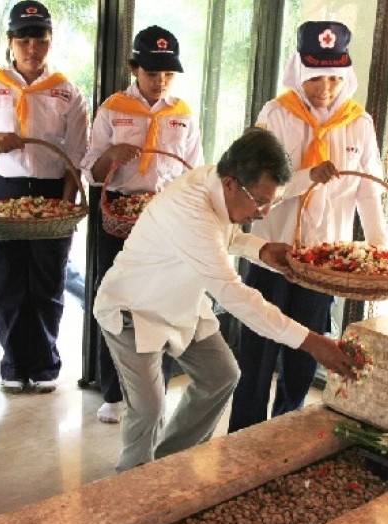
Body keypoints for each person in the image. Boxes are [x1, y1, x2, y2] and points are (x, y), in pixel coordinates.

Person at [93, 128, 357, 472]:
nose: (263, 213)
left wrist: (260, 248)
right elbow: (235, 295)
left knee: (221, 375)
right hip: (133, 308)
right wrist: (311, 341)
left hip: (182, 302)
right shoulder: (191, 210)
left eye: (269, 202)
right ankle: (128, 487)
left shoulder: (219, 182)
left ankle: (167, 466)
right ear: (231, 183)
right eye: (261, 201)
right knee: (149, 407)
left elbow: (227, 235)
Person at [228, 21, 388, 433]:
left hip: (324, 260)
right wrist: (305, 177)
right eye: (316, 77)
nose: (326, 88)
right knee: (259, 343)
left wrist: (380, 250)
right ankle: (245, 431)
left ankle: (287, 426)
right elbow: (256, 185)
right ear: (299, 71)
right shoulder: (276, 115)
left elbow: (368, 192)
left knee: (308, 346)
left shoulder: (360, 124)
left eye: (335, 77)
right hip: (273, 251)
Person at [81, 25, 202, 424]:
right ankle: (113, 392)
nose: (160, 82)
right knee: (116, 302)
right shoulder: (113, 108)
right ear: (135, 68)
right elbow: (93, 172)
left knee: (161, 304)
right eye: (152, 73)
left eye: (167, 74)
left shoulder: (182, 114)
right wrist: (113, 154)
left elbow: (192, 172)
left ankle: (156, 392)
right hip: (119, 212)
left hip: (164, 215)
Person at [0, 0, 88, 394]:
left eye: (39, 39)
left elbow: (74, 155)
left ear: (50, 41)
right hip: (3, 190)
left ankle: (45, 365)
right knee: (6, 279)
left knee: (47, 280)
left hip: (53, 192)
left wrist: (66, 204)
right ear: (10, 41)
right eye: (23, 39)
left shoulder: (67, 92)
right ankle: (14, 364)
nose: (31, 47)